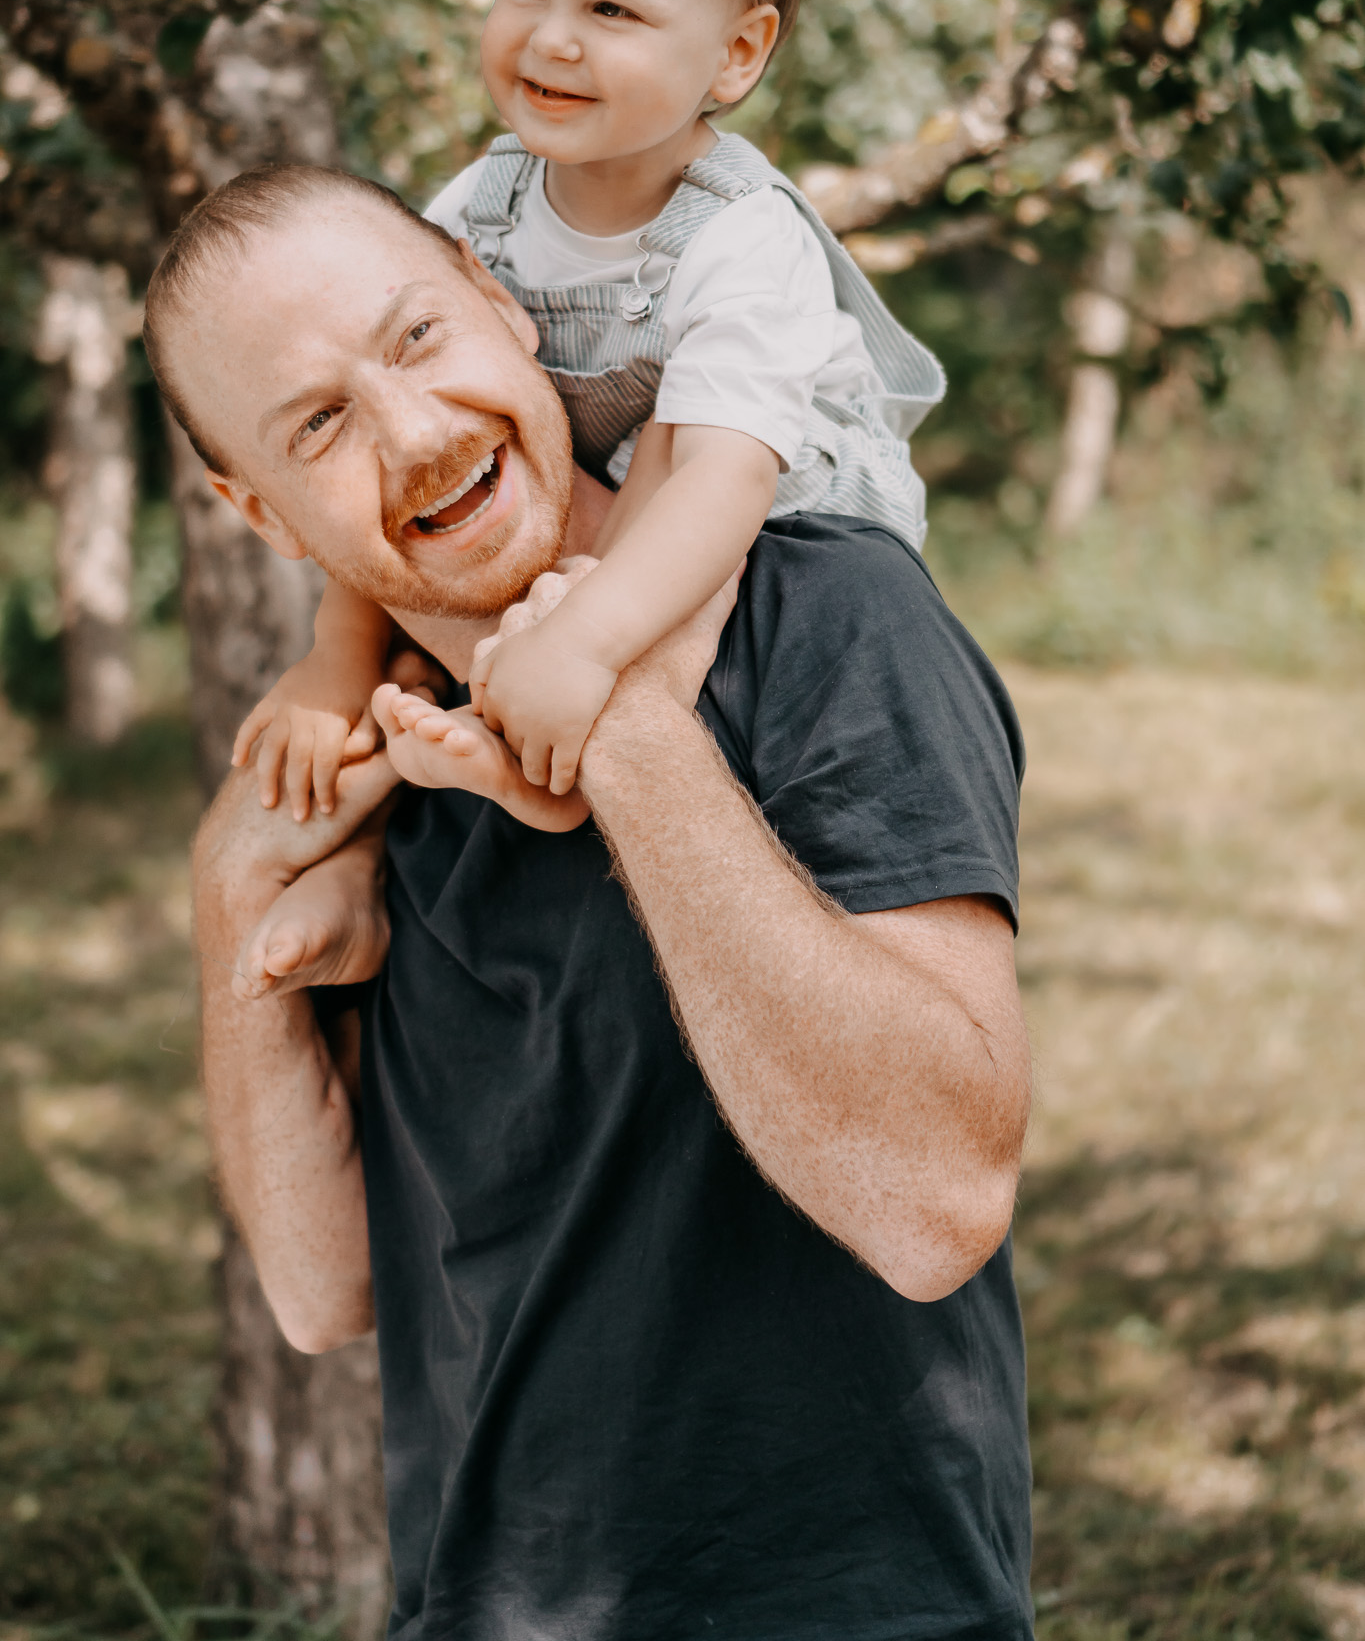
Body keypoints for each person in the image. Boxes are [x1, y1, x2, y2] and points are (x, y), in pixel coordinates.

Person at [143, 163, 1035, 1639]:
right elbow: (320, 1288)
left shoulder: (830, 616)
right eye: (317, 425)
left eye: (418, 337)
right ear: (260, 511)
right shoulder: (385, 766)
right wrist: (227, 900)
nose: (417, 434)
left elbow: (935, 1206)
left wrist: (626, 732)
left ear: (503, 304)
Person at [231, 0, 945, 818]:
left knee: (672, 451)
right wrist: (335, 657)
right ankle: (517, 749)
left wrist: (583, 639)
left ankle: (581, 752)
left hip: (778, 526)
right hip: (607, 525)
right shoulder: (480, 206)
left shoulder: (742, 236)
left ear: (736, 54)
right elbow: (394, 431)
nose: (551, 37)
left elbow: (722, 482)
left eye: (611, 8)